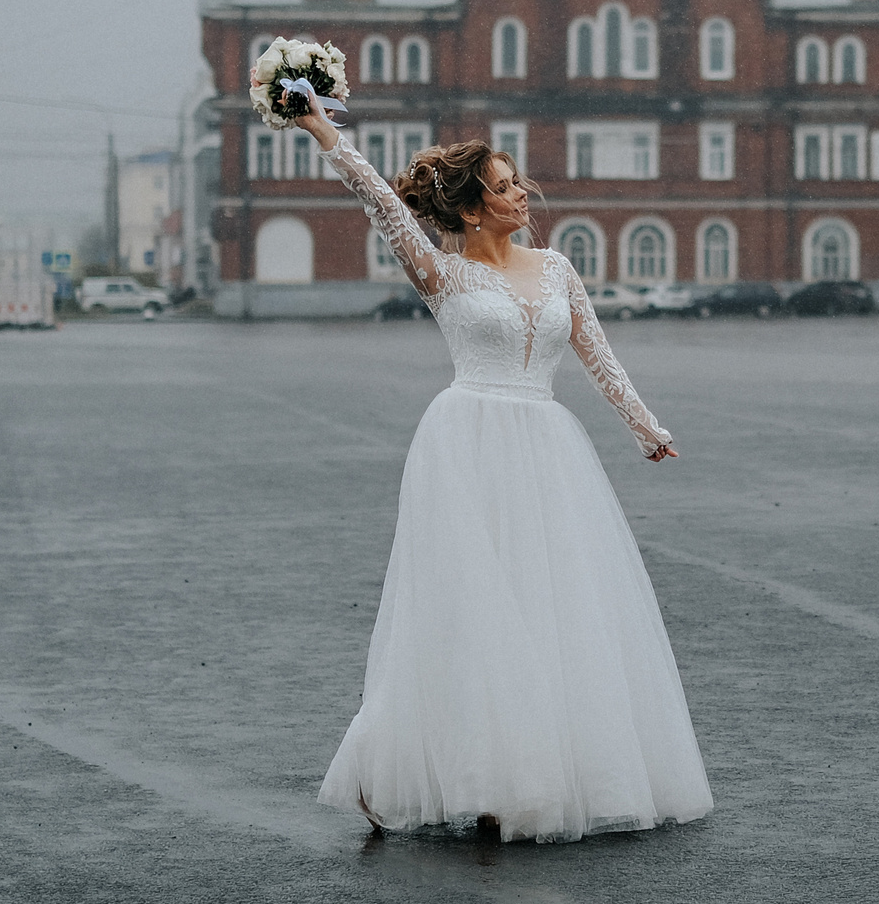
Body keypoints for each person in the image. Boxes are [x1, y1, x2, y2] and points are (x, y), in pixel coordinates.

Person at [295, 104, 713, 843]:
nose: (524, 195)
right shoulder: (440, 270)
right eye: (505, 185)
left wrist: (646, 426)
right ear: (471, 205)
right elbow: (381, 200)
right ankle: (433, 772)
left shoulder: (556, 268)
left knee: (548, 606)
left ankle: (523, 773)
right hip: (462, 444)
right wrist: (325, 133)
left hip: (547, 443)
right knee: (468, 612)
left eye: (519, 183)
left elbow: (597, 353)